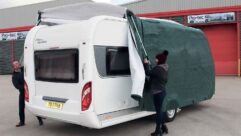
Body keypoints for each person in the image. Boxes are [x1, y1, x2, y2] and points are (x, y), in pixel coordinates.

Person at [143, 50, 169, 136]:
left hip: (158, 93)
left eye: (157, 59)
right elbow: (154, 72)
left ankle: (158, 131)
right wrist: (149, 64)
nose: (155, 60)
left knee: (158, 112)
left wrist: (146, 63)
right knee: (160, 111)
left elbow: (148, 72)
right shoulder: (164, 67)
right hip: (162, 92)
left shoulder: (158, 69)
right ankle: (163, 127)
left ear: (160, 60)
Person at [12, 61, 44, 127]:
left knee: (33, 106)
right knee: (21, 108)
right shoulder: (14, 76)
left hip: (31, 92)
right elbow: (17, 86)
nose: (18, 64)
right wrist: (25, 87)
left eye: (18, 63)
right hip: (23, 93)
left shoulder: (24, 69)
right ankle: (22, 121)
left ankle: (40, 119)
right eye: (16, 64)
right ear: (14, 67)